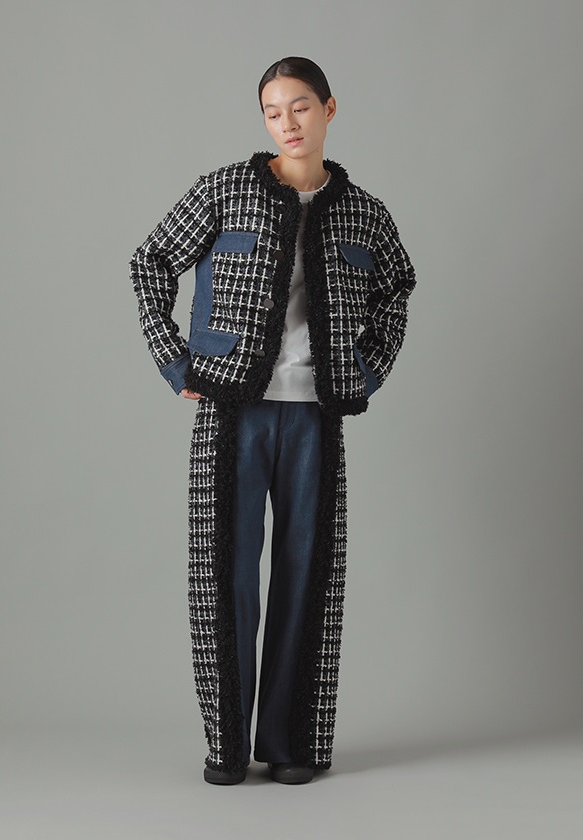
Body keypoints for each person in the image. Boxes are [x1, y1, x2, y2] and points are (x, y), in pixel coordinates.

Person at [129, 57, 416, 786]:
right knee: (222, 574)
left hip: (316, 414)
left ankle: (292, 745)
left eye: (300, 107)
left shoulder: (364, 212)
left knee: (307, 573)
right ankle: (226, 745)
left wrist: (366, 371)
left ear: (329, 109)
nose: (286, 123)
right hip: (231, 409)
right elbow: (150, 262)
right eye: (272, 111)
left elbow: (398, 289)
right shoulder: (224, 191)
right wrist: (176, 363)